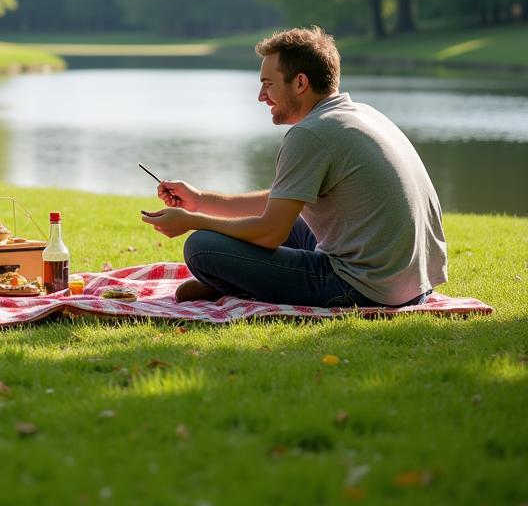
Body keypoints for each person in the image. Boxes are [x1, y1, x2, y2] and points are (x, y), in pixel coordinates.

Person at [141, 26, 447, 308]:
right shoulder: (360, 115)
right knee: (295, 221)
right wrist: (200, 201)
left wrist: (193, 221)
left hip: (364, 289)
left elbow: (270, 232)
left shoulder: (310, 134)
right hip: (414, 285)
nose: (261, 96)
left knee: (202, 247)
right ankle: (239, 281)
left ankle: (236, 283)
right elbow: (283, 201)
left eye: (268, 84)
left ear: (300, 82)